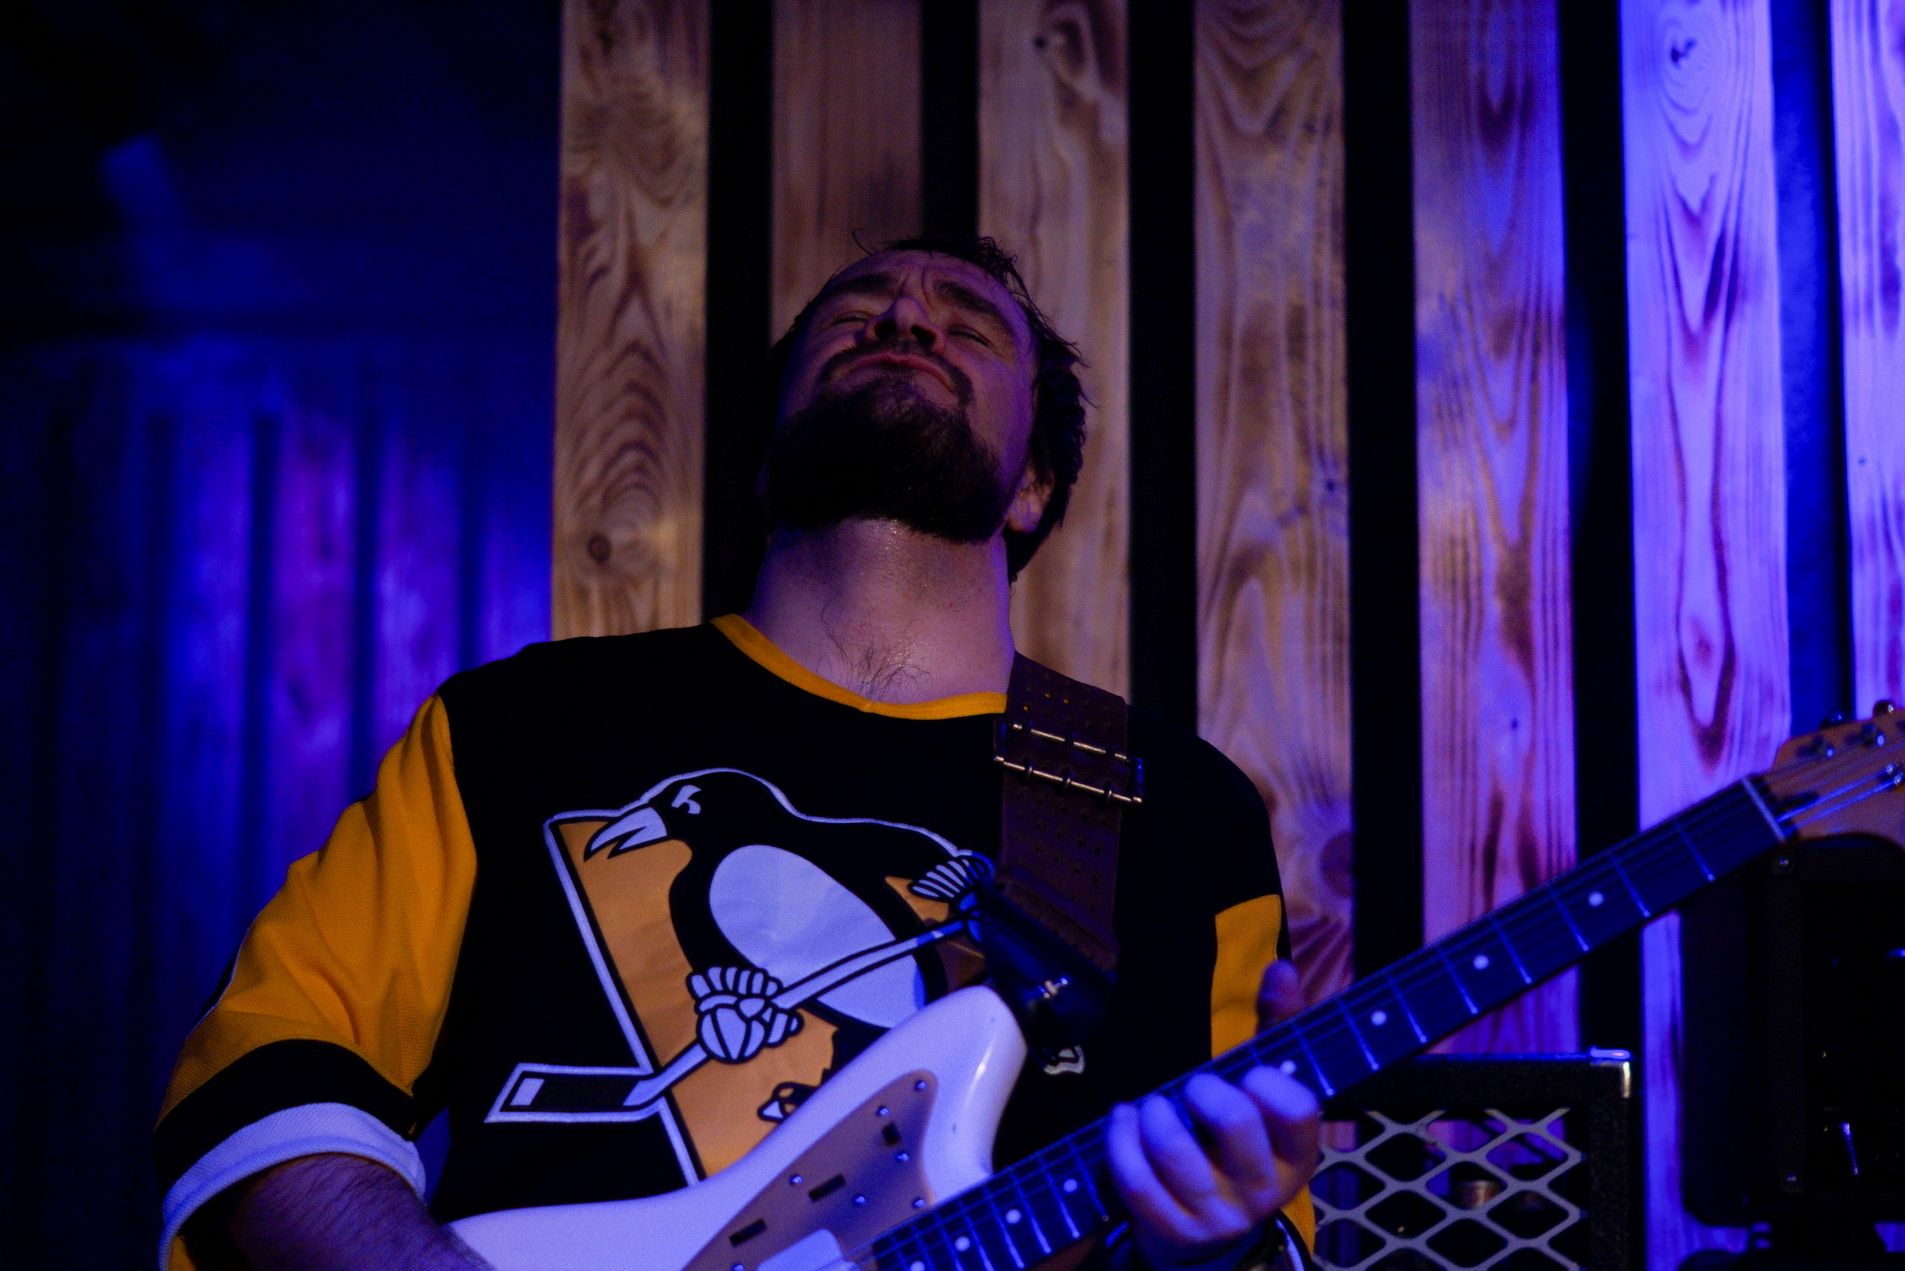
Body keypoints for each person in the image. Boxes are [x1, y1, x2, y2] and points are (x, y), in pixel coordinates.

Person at [154, 237, 1323, 1271]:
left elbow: (1257, 1230)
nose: (905, 318)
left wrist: (1216, 1241)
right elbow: (263, 1063)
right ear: (766, 455)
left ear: (1032, 486)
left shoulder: (1181, 815)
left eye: (966, 327)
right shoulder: (519, 725)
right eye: (856, 312)